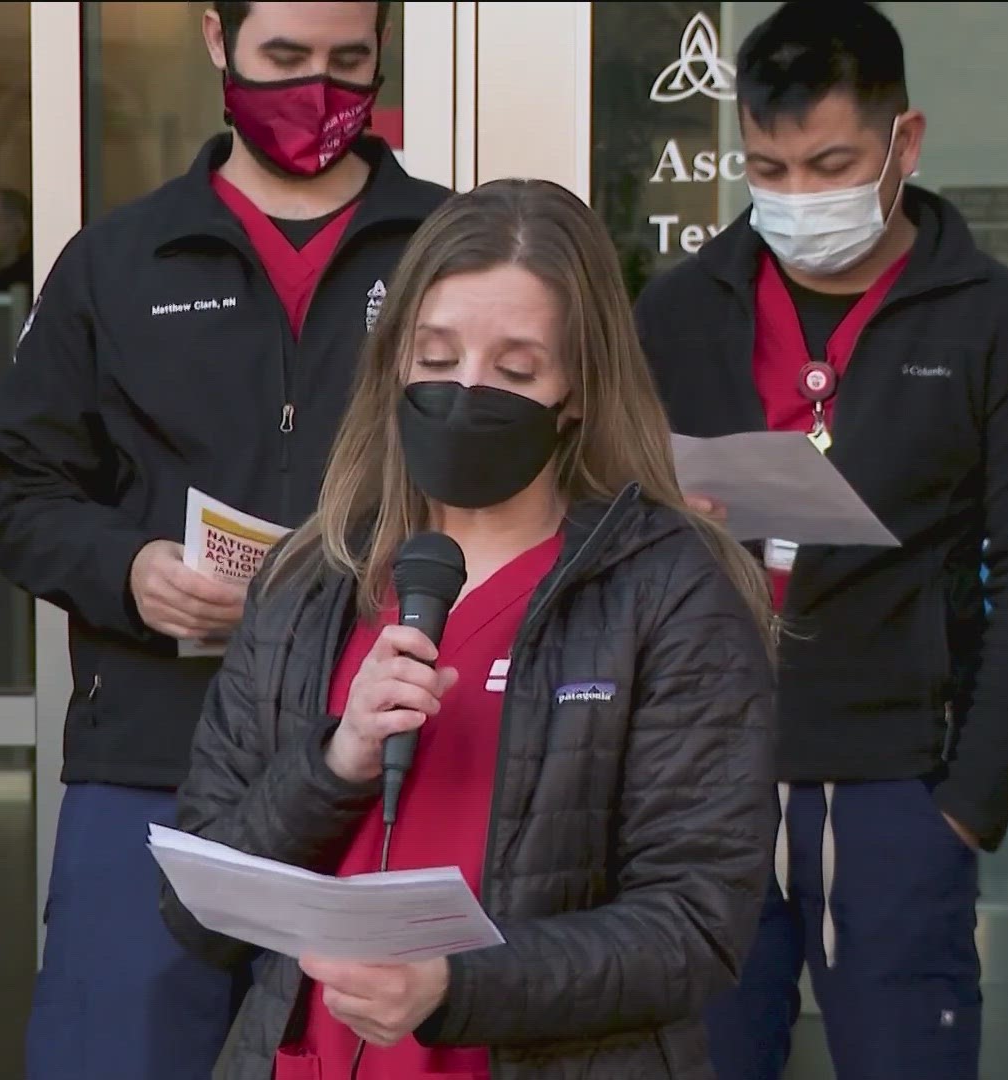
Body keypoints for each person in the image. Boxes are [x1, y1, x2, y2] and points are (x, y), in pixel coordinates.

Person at [159, 177, 780, 1080]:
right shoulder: (313, 578)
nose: (467, 391)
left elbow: (694, 926)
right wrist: (337, 763)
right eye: (437, 356)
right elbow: (197, 907)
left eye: (516, 369)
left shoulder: (670, 591)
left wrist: (456, 987)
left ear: (576, 392)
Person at [0, 1, 450, 1074]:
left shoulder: (448, 251)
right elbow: (16, 489)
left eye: (346, 62)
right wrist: (127, 569)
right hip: (153, 753)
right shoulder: (118, 260)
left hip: (391, 754)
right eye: (282, 59)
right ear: (213, 38)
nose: (315, 91)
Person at [631, 5, 1008, 1079]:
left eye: (830, 163)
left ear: (904, 142)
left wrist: (970, 806)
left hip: (897, 787)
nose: (797, 197)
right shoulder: (680, 310)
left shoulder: (995, 323)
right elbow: (600, 513)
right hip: (702, 779)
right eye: (769, 167)